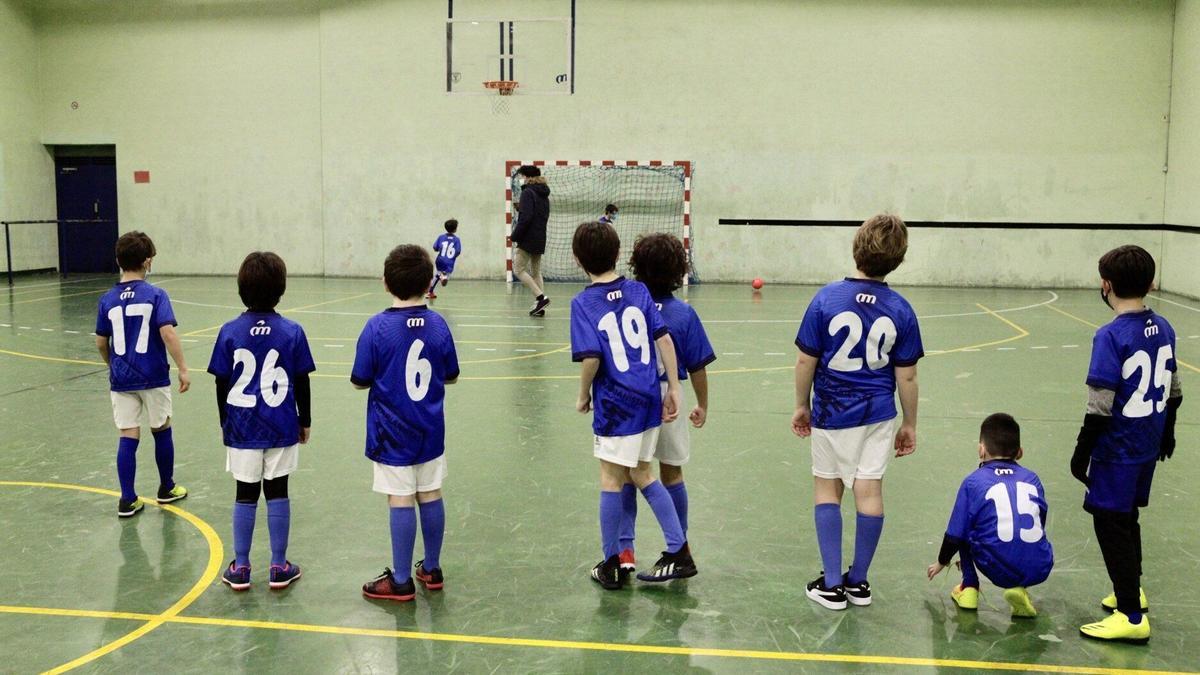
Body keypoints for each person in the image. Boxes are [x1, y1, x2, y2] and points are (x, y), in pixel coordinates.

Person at [791, 214, 923, 610]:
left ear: (856, 247)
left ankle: (832, 584)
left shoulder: (826, 299)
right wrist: (910, 423)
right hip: (878, 414)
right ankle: (859, 581)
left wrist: (801, 405)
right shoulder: (901, 309)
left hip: (832, 411)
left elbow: (805, 362)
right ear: (898, 260)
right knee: (869, 491)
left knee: (827, 488)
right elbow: (909, 377)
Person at [570, 220, 695, 590]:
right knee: (641, 473)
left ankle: (612, 561)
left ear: (578, 261)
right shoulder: (638, 290)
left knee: (611, 480)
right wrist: (673, 387)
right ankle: (675, 548)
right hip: (648, 399)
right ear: (618, 253)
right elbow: (665, 340)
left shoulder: (584, 303)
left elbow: (591, 358)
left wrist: (582, 395)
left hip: (617, 403)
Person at [1073, 245, 1181, 644]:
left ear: (1107, 285)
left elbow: (1100, 403)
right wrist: (1167, 432)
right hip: (1146, 444)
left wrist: (1081, 451)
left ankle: (1131, 616)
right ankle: (1132, 589)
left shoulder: (1110, 336)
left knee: (1110, 523)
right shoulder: (1165, 327)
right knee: (1128, 516)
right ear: (1151, 284)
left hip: (1116, 449)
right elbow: (1174, 388)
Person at [356, 244, 459, 602]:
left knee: (400, 498)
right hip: (430, 429)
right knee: (430, 492)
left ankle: (401, 580)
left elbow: (359, 378)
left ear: (386, 283)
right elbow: (451, 375)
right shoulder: (438, 324)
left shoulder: (377, 327)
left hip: (391, 431)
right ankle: (431, 568)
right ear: (429, 280)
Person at [208, 252, 315, 591]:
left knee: (245, 493)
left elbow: (220, 382)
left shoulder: (229, 332)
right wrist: (305, 420)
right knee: (278, 491)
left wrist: (225, 421)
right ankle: (279, 565)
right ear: (281, 290)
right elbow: (302, 380)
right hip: (281, 424)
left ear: (241, 289)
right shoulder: (292, 332)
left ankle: (240, 567)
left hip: (241, 427)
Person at [618, 233, 715, 579]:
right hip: (672, 398)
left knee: (627, 473)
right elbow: (698, 366)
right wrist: (702, 404)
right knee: (671, 472)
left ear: (636, 267)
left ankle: (624, 549)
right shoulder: (684, 314)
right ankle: (680, 546)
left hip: (632, 399)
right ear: (679, 270)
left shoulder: (627, 308)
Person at [95, 231, 190, 518]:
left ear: (118, 261)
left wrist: (112, 364)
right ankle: (166, 487)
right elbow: (167, 332)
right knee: (161, 428)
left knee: (128, 433)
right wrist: (183, 368)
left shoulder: (107, 299)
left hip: (121, 378)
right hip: (153, 375)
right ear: (147, 262)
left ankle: (127, 499)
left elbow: (101, 341)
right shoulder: (156, 295)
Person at [927, 413, 1054, 619]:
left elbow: (954, 534)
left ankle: (968, 587)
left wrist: (942, 561)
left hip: (997, 569)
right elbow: (1040, 521)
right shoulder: (1032, 479)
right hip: (1039, 566)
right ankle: (1020, 588)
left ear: (981, 450)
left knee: (967, 526)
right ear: (1020, 452)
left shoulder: (973, 482)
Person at [510, 165, 551, 316]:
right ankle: (540, 306)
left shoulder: (528, 192)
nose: (521, 179)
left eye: (522, 176)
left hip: (528, 238)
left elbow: (526, 218)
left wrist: (515, 236)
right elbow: (537, 214)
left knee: (518, 269)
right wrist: (521, 208)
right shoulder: (543, 193)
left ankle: (541, 298)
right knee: (536, 271)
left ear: (528, 177)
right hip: (540, 236)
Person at [428, 219, 462, 300]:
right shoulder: (457, 239)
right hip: (449, 262)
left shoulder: (441, 237)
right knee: (444, 282)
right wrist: (452, 257)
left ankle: (431, 291)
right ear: (455, 229)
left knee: (438, 273)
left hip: (440, 259)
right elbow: (458, 251)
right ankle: (443, 277)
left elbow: (435, 247)